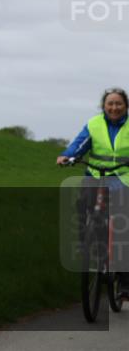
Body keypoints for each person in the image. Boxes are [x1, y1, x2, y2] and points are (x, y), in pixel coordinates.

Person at [56, 87, 129, 300]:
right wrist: (67, 155)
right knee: (83, 202)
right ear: (103, 106)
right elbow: (79, 144)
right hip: (96, 174)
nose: (114, 107)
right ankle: (86, 242)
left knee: (122, 224)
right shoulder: (94, 124)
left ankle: (125, 282)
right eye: (110, 103)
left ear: (126, 106)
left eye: (118, 103)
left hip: (123, 177)